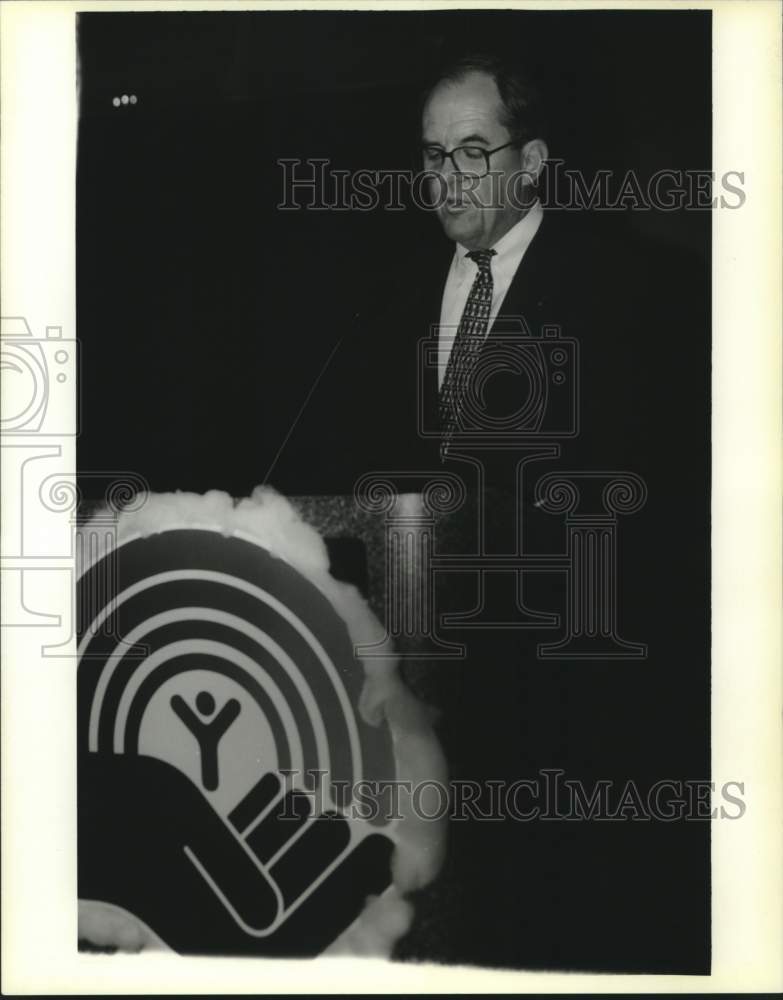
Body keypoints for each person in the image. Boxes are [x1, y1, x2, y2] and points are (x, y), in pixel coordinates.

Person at [275, 52, 710, 973]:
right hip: (422, 703)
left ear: (534, 159)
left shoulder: (633, 291)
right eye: (432, 155)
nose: (447, 177)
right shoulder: (386, 297)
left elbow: (647, 504)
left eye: (474, 151)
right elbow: (366, 482)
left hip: (574, 710)